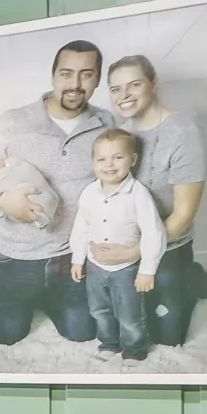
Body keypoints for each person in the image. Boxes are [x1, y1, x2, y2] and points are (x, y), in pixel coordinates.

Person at [0, 39, 104, 347]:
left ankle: (52, 297)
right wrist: (1, 200)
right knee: (5, 338)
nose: (75, 84)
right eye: (66, 73)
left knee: (82, 333)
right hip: (17, 257)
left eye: (86, 74)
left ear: (98, 79)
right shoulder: (14, 120)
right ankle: (31, 297)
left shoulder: (106, 124)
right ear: (53, 76)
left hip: (72, 256)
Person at [94, 54, 207, 348]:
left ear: (154, 84)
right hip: (127, 242)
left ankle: (190, 279)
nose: (124, 95)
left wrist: (134, 253)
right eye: (116, 89)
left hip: (168, 246)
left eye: (134, 85)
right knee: (117, 326)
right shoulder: (119, 134)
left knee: (167, 338)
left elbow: (184, 213)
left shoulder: (183, 132)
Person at [69, 128, 165, 360]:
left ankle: (134, 350)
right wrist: (77, 259)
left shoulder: (138, 194)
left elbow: (153, 232)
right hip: (95, 266)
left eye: (118, 157)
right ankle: (109, 343)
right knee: (99, 310)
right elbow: (81, 227)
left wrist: (147, 270)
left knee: (129, 314)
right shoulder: (89, 192)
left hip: (126, 269)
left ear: (133, 159)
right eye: (101, 159)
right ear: (93, 162)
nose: (109, 165)